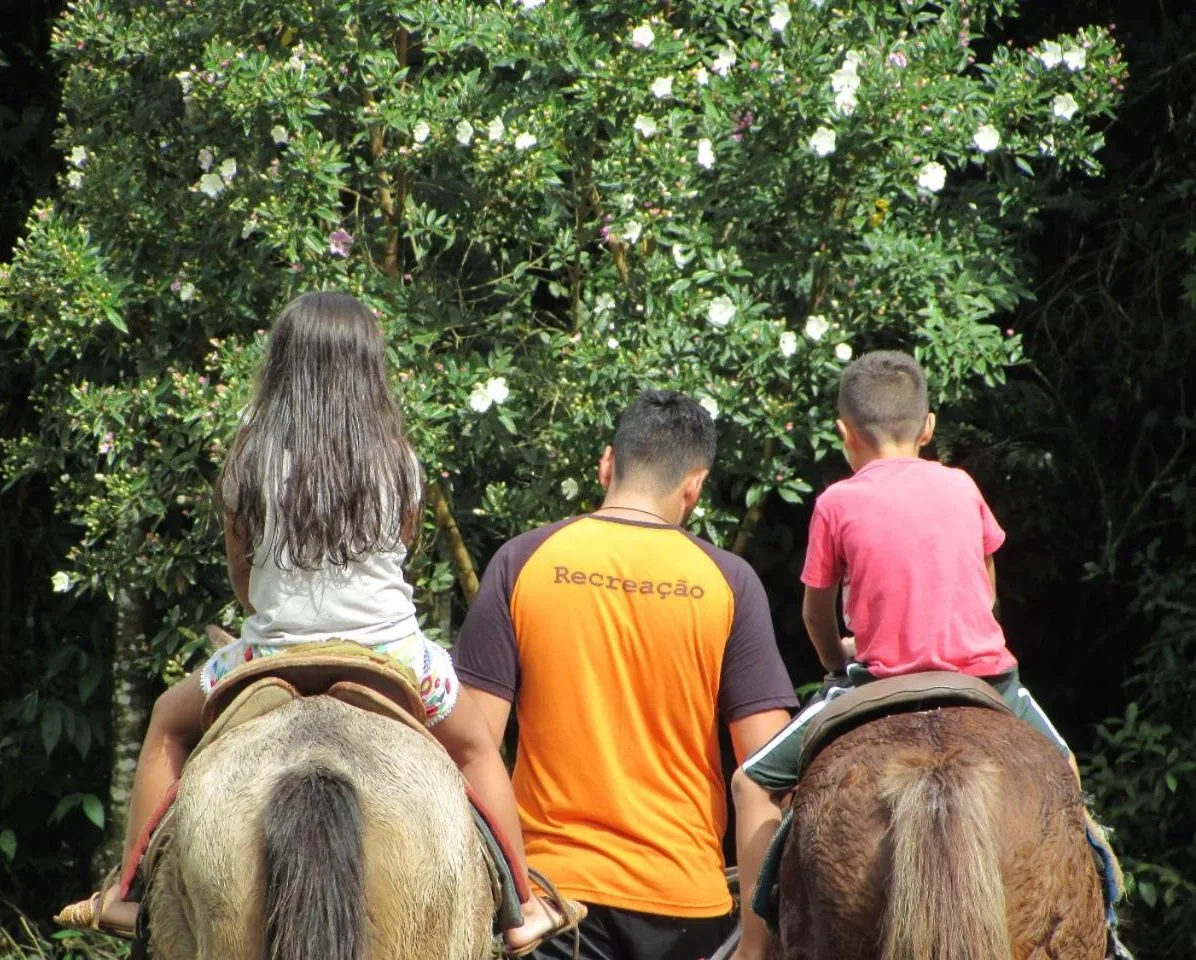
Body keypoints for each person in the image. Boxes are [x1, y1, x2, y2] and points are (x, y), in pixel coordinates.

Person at [61, 291, 576, 955]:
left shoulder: (247, 459)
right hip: (392, 654)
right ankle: (523, 907)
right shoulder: (398, 460)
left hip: (267, 652)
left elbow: (244, 582)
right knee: (477, 747)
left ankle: (127, 896)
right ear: (368, 367)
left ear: (283, 364)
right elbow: (403, 556)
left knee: (165, 718)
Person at [732, 349, 1091, 959]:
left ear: (845, 433)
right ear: (928, 428)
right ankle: (1102, 913)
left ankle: (750, 945)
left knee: (749, 784)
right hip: (987, 682)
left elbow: (815, 614)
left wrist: (832, 659)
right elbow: (988, 590)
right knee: (1063, 776)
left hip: (876, 682)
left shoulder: (836, 502)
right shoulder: (962, 485)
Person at [453, 390, 799, 960]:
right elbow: (768, 770)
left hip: (553, 901)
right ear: (694, 485)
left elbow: (473, 746)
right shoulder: (729, 581)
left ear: (608, 463)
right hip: (686, 904)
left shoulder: (522, 561)